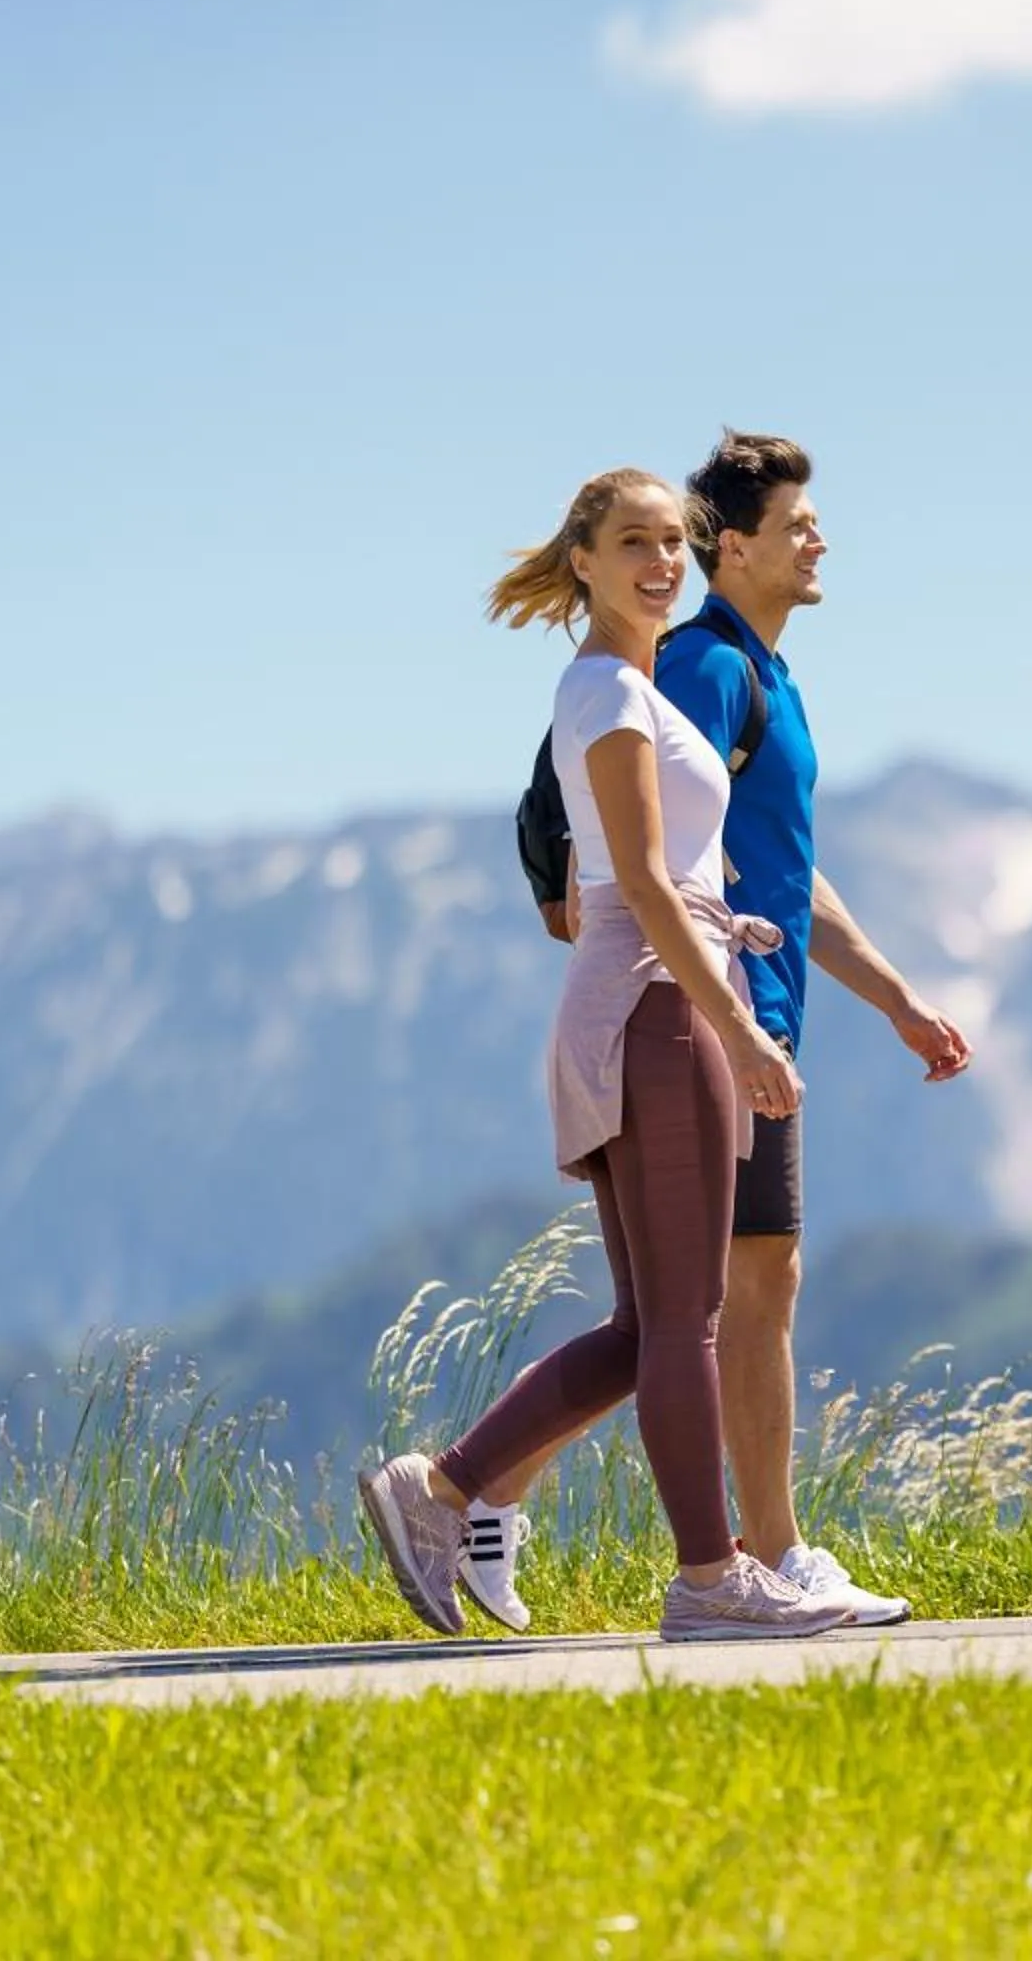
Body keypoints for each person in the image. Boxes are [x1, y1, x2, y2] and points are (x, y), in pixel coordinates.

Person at [471, 430, 972, 1635]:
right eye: (797, 523)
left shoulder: (765, 678)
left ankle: (486, 1494)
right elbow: (649, 850)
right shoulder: (697, 669)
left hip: (752, 1012)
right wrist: (729, 1019)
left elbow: (778, 874)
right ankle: (730, 1551)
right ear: (733, 547)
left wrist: (894, 997)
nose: (820, 539)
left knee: (727, 1291)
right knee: (715, 1300)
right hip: (705, 1014)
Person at [358, 466, 852, 1644]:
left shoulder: (625, 686)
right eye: (635, 541)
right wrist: (742, 1027)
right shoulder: (610, 693)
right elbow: (641, 880)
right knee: (685, 1320)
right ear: (583, 560)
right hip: (659, 1007)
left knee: (649, 1324)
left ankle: (442, 1491)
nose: (662, 562)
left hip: (641, 1002)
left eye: (675, 541)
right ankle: (710, 1576)